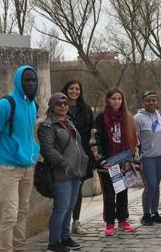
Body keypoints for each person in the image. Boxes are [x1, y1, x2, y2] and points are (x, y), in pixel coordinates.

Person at [0, 66, 40, 252]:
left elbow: (28, 134)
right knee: (10, 214)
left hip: (28, 165)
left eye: (33, 80)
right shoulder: (5, 104)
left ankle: (19, 247)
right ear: (18, 81)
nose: (30, 83)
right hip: (8, 168)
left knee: (23, 211)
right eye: (26, 80)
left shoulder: (33, 104)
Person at [38, 93, 89, 252]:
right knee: (61, 207)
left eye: (65, 103)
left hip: (75, 171)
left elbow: (77, 145)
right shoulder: (48, 126)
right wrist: (64, 163)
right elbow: (48, 149)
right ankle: (53, 243)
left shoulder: (68, 122)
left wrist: (84, 161)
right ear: (52, 106)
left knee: (70, 206)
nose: (63, 106)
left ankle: (65, 237)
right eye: (59, 104)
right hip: (62, 172)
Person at [92, 88, 138, 236]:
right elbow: (95, 140)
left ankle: (123, 220)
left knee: (123, 192)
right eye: (113, 99)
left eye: (119, 99)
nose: (116, 102)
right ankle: (110, 222)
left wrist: (132, 157)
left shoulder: (127, 117)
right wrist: (101, 160)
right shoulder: (100, 118)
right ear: (108, 100)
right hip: (107, 163)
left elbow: (133, 138)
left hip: (123, 161)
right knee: (109, 195)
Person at [60, 80, 94, 236]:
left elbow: (89, 133)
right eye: (71, 88)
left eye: (77, 89)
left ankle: (76, 221)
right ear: (66, 90)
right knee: (64, 191)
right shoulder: (58, 106)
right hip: (64, 155)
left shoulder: (86, 109)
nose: (74, 91)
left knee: (77, 190)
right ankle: (62, 224)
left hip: (81, 154)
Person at [134, 91, 161, 226]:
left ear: (157, 101)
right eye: (148, 100)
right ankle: (146, 214)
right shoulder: (138, 118)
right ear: (143, 102)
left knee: (156, 186)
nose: (151, 103)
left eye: (154, 100)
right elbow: (135, 139)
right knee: (150, 185)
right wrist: (137, 159)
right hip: (147, 158)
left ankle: (154, 213)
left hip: (160, 157)